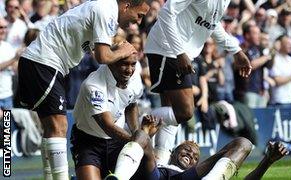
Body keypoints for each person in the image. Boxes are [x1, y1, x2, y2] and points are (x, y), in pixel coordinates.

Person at [17, 0, 150, 179]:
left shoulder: (105, 12)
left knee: (51, 128)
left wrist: (119, 51)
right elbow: (103, 57)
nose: (139, 22)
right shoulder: (106, 10)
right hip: (44, 62)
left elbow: (99, 52)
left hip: (43, 63)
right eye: (139, 15)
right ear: (126, 6)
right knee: (59, 126)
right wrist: (124, 51)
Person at [144, 0, 252, 164]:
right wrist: (179, 52)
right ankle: (139, 122)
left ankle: (160, 164)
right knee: (185, 111)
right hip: (167, 49)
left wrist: (236, 50)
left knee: (171, 112)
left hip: (179, 52)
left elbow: (211, 24)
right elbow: (165, 13)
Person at [70, 49, 158, 180]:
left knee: (143, 143)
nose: (129, 70)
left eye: (133, 64)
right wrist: (136, 142)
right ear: (110, 63)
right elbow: (107, 126)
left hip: (116, 141)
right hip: (88, 142)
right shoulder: (93, 85)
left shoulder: (134, 77)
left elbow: (131, 104)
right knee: (141, 138)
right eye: (124, 64)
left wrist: (136, 133)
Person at [109, 136, 288, 180]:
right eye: (186, 150)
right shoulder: (160, 160)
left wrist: (267, 161)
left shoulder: (197, 173)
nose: (190, 155)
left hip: (185, 179)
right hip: (155, 176)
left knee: (244, 143)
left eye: (195, 157)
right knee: (142, 135)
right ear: (173, 152)